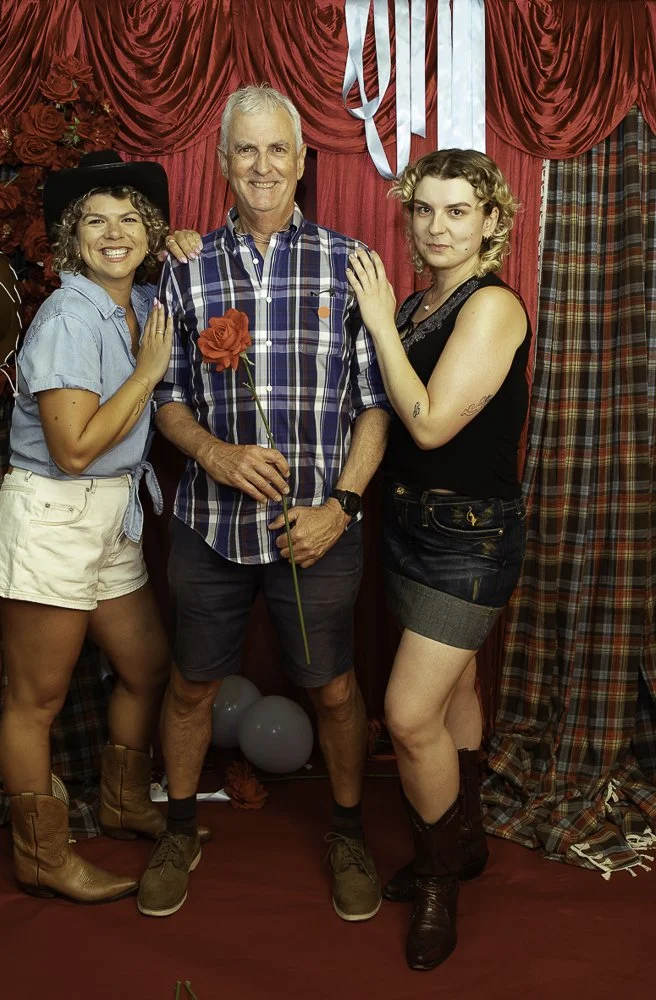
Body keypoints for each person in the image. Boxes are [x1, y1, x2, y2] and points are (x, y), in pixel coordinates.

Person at [138, 85, 391, 921]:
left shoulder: (349, 263)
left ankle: (347, 830)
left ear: (302, 161)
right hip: (211, 529)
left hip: (317, 531)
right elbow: (166, 395)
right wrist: (212, 451)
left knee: (335, 691)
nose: (262, 166)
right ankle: (179, 829)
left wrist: (341, 507)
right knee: (190, 688)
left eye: (277, 149)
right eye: (244, 151)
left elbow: (375, 408)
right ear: (221, 164)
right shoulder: (187, 267)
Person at [0, 151, 204, 903]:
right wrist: (146, 374)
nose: (115, 234)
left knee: (146, 667)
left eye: (130, 220)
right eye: (96, 223)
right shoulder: (70, 317)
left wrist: (186, 242)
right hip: (53, 511)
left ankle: (120, 799)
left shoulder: (138, 300)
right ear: (73, 240)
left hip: (113, 513)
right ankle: (41, 854)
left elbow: (186, 256)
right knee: (34, 701)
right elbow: (74, 448)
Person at [345, 149, 530, 969]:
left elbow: (424, 424)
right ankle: (467, 841)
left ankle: (436, 879)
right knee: (453, 692)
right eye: (425, 209)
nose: (438, 225)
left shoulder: (491, 306)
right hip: (408, 524)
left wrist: (380, 324)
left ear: (491, 222)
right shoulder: (424, 300)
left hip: (471, 537)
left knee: (409, 714)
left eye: (458, 210)